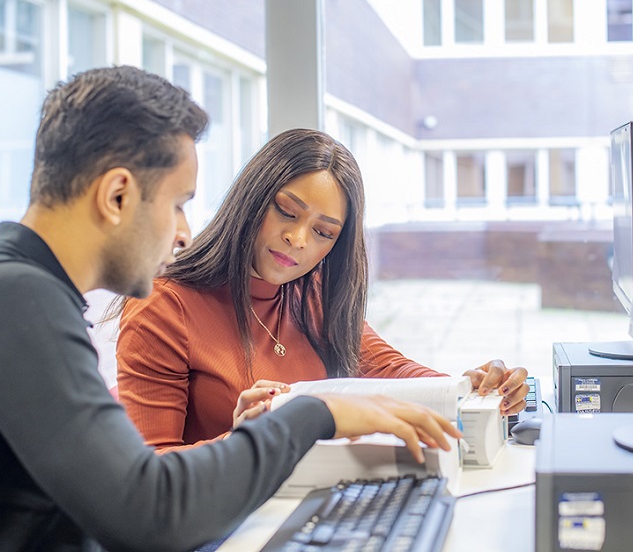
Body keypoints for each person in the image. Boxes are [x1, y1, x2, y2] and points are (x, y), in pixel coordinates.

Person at [0, 67, 462, 552]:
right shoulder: (12, 301)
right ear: (117, 196)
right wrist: (314, 413)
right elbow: (150, 512)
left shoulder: (14, 290)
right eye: (177, 205)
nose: (181, 233)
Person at [115, 128, 530, 452]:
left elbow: (388, 369)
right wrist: (243, 442)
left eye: (323, 232)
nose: (298, 239)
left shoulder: (310, 291)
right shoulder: (163, 305)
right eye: (286, 211)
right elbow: (149, 477)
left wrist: (470, 390)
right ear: (251, 199)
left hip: (302, 497)